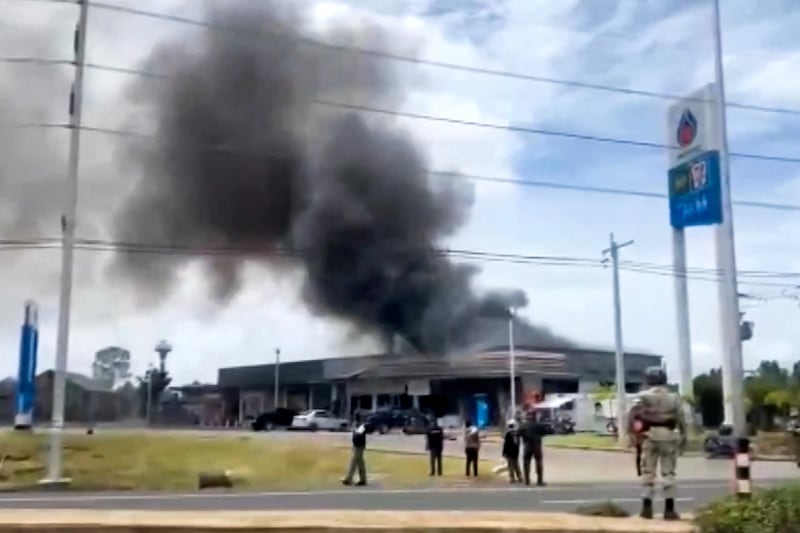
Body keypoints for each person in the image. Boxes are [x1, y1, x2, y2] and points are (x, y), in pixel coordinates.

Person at [634, 366, 687, 521]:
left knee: (648, 472)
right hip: (669, 436)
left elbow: (633, 415)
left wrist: (633, 436)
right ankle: (669, 510)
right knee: (668, 473)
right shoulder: (674, 397)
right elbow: (681, 418)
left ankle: (646, 509)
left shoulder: (641, 396)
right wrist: (684, 435)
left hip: (648, 436)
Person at [520, 410, 545, 486]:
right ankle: (539, 480)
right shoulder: (539, 425)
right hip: (537, 445)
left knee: (526, 463)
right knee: (538, 462)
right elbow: (544, 433)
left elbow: (519, 433)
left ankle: (527, 480)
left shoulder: (523, 425)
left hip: (527, 445)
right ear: (535, 416)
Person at [626, 398, 646, 476]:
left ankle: (639, 470)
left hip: (638, 435)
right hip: (640, 435)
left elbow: (629, 424)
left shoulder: (632, 411)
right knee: (643, 452)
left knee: (639, 453)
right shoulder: (642, 411)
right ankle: (641, 468)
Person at [502, 419, 522, 483]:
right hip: (516, 451)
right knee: (516, 464)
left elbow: (506, 444)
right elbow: (518, 443)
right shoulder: (517, 433)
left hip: (509, 451)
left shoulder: (508, 434)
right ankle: (520, 477)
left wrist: (504, 452)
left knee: (510, 465)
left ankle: (512, 478)